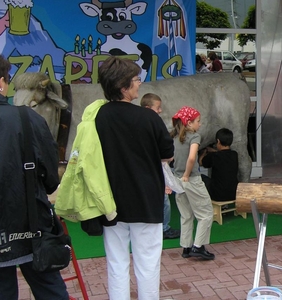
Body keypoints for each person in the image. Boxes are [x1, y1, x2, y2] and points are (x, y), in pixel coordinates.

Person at [0, 51, 69, 299]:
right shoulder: (27, 119)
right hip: (30, 227)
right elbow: (51, 178)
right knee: (50, 290)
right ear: (2, 82)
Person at [94, 56, 175, 300]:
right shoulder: (148, 117)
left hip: (110, 201)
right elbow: (167, 153)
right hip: (146, 199)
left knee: (116, 264)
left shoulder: (97, 117)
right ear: (123, 86)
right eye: (136, 80)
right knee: (148, 264)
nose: (139, 84)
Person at [171, 106, 215, 260]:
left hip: (178, 180)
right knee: (206, 213)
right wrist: (187, 174)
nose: (200, 124)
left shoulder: (176, 138)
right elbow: (191, 158)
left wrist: (180, 176)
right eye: (197, 121)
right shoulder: (194, 137)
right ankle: (198, 246)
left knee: (186, 214)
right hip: (191, 179)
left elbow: (172, 158)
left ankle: (186, 247)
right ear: (189, 123)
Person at [140, 93, 181, 240]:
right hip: (153, 167)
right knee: (163, 200)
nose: (160, 111)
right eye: (158, 108)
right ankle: (164, 228)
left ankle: (157, 228)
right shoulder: (152, 124)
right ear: (148, 108)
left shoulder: (141, 123)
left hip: (148, 167)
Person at [199, 128, 239, 201]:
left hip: (217, 195)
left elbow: (201, 162)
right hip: (233, 193)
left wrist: (203, 153)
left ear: (218, 141)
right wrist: (214, 151)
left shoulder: (214, 156)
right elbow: (224, 154)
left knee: (200, 177)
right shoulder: (234, 155)